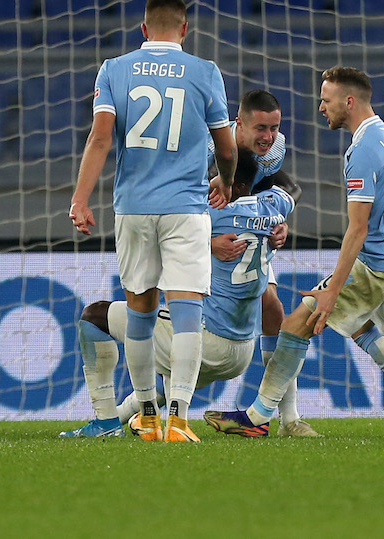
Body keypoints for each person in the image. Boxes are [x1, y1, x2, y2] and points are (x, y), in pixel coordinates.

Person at [204, 66, 384, 437]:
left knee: (297, 323)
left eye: (326, 100)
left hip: (378, 263)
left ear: (349, 101)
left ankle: (258, 417)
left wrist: (332, 290)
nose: (320, 107)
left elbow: (357, 229)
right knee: (364, 327)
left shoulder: (361, 151)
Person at [69, 0, 236, 443]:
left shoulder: (115, 69)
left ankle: (144, 412)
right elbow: (225, 145)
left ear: (143, 30)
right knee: (186, 309)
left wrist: (80, 200)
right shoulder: (205, 72)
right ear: (185, 29)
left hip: (133, 208)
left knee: (140, 310)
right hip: (185, 207)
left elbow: (100, 139)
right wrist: (225, 179)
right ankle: (178, 418)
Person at [61, 149, 296, 439]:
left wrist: (207, 243)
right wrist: (279, 227)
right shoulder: (275, 205)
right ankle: (132, 417)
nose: (212, 182)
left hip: (208, 339)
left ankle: (106, 422)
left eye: (218, 177)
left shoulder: (207, 210)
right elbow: (289, 195)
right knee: (170, 367)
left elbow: (166, 232)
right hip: (243, 349)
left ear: (232, 184)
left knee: (95, 317)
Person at [207, 89, 318, 437]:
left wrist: (276, 220)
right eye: (260, 128)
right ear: (238, 123)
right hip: (201, 232)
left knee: (272, 307)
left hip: (241, 233)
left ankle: (290, 419)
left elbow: (289, 188)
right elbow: (181, 206)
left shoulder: (272, 149)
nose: (269, 137)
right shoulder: (209, 149)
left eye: (274, 128)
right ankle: (142, 406)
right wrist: (207, 241)